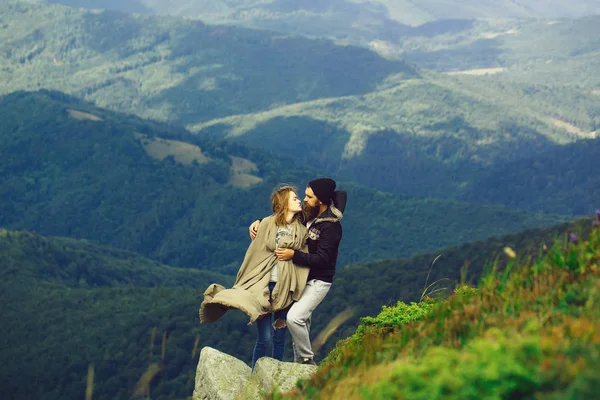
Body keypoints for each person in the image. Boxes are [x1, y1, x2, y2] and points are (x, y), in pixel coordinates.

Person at [199, 185, 310, 371]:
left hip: (285, 288)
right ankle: (254, 376)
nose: (299, 200)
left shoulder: (301, 230)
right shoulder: (266, 224)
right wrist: (258, 221)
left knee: (279, 335)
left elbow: (302, 259)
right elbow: (254, 254)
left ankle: (276, 376)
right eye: (294, 198)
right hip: (262, 288)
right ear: (283, 204)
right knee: (265, 338)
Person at [249, 178, 346, 365]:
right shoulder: (308, 214)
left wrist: (293, 255)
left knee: (294, 319)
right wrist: (259, 222)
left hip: (318, 281)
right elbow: (283, 219)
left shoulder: (331, 227)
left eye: (309, 196)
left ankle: (307, 361)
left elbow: (323, 260)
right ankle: (298, 367)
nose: (305, 199)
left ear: (321, 199)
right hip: (300, 279)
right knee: (302, 324)